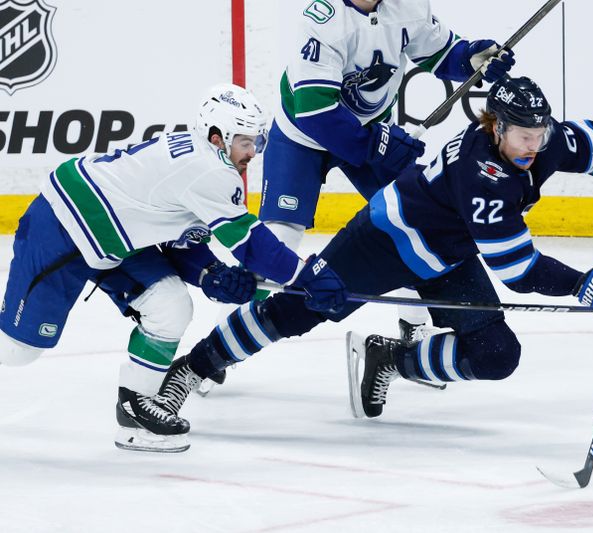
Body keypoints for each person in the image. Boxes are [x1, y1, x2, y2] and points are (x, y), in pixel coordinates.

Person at [152, 76, 593, 431]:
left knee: (496, 357)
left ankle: (389, 358)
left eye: (541, 133)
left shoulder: (545, 140)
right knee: (297, 309)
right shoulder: (481, 173)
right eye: (523, 135)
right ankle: (193, 368)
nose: (534, 146)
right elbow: (518, 270)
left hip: (447, 255)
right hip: (386, 240)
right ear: (496, 126)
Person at [0, 83, 348, 452]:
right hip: (64, 228)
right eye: (246, 142)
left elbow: (175, 243)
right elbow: (251, 245)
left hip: (116, 240)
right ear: (219, 137)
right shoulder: (208, 171)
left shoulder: (201, 159)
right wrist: (304, 275)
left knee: (171, 305)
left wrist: (211, 275)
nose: (254, 152)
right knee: (17, 351)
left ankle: (134, 410)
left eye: (257, 142)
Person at [260, 0, 516, 339]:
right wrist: (376, 145)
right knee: (278, 236)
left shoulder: (406, 5)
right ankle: (225, 341)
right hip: (302, 136)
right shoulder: (324, 18)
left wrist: (471, 58)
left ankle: (412, 329)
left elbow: (440, 53)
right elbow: (316, 111)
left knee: (411, 220)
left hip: (370, 131)